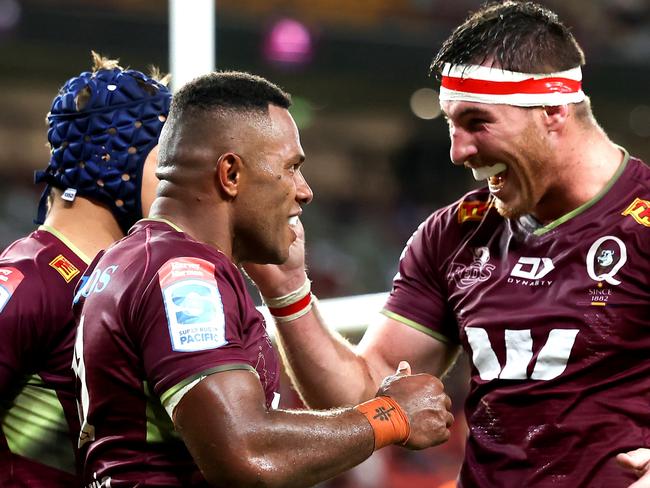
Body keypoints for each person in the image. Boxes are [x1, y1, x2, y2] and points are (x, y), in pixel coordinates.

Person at [245, 2, 650, 487]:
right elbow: (367, 395)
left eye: (477, 122)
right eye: (451, 124)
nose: (458, 152)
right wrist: (288, 287)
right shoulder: (453, 234)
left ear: (554, 109)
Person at [71, 70, 454, 487]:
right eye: (291, 168)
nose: (304, 190)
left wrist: (288, 289)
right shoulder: (184, 275)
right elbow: (245, 453)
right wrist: (389, 417)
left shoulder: (130, 259)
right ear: (231, 174)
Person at [0, 51, 171, 486]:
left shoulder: (123, 281)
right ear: (111, 158)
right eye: (165, 158)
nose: (178, 176)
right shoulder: (30, 278)